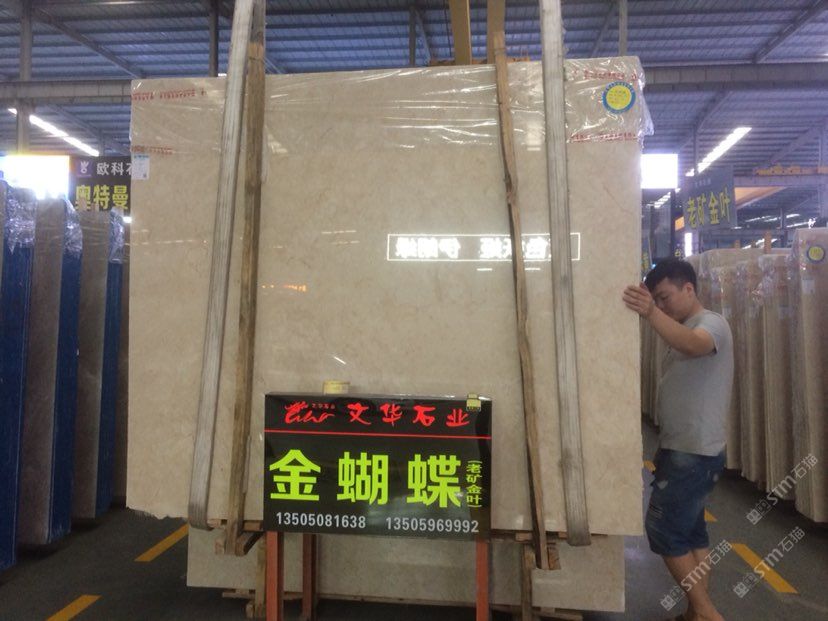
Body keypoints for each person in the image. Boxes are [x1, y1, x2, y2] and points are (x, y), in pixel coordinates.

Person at [623, 258, 733, 621]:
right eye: (657, 299)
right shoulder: (684, 326)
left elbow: (694, 345)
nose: (662, 304)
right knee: (691, 533)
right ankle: (694, 614)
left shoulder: (710, 324)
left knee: (664, 531)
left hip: (694, 452)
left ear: (689, 288)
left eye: (665, 296)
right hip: (685, 449)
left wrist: (651, 312)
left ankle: (708, 614)